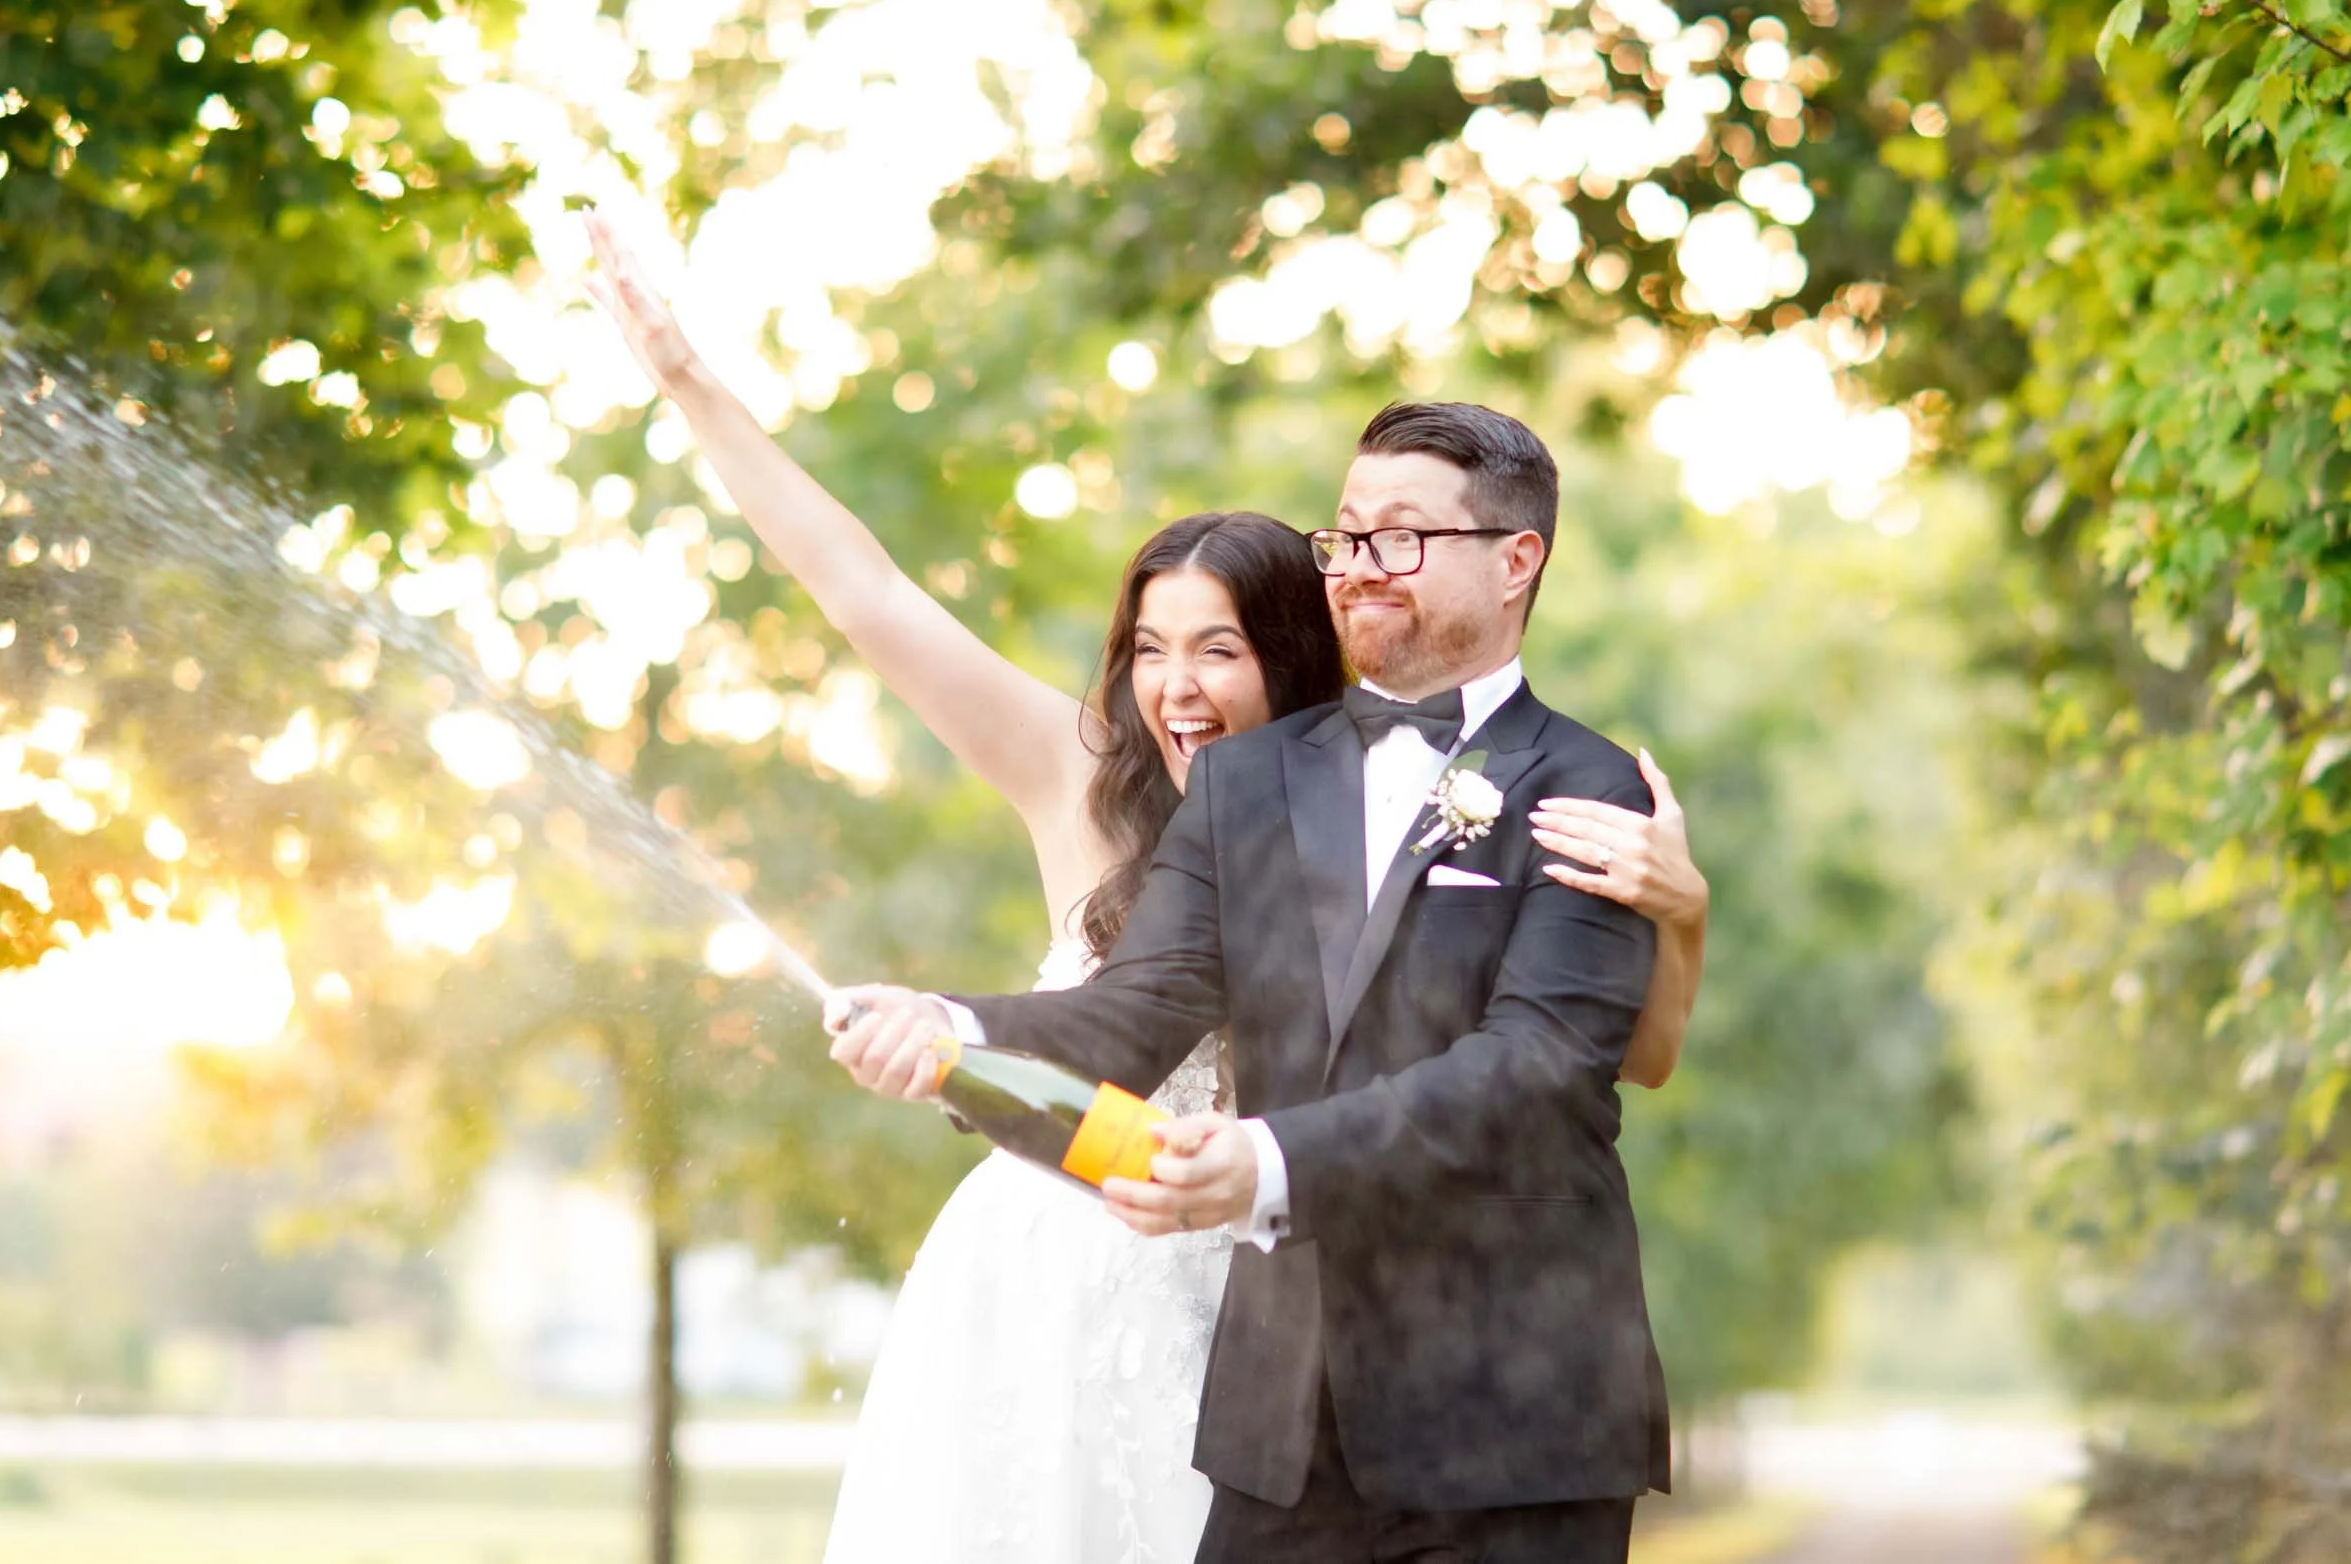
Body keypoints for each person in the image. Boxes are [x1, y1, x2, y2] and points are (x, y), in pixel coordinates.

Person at [584, 216, 1707, 1563]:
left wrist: (1681, 916)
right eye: (1149, 649)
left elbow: (1572, 1058)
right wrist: (954, 1036)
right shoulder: (1187, 792)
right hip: (1206, 1349)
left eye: (1220, 647)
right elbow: (1127, 1013)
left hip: (1454, 1364)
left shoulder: (1572, 778)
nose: (1176, 686)